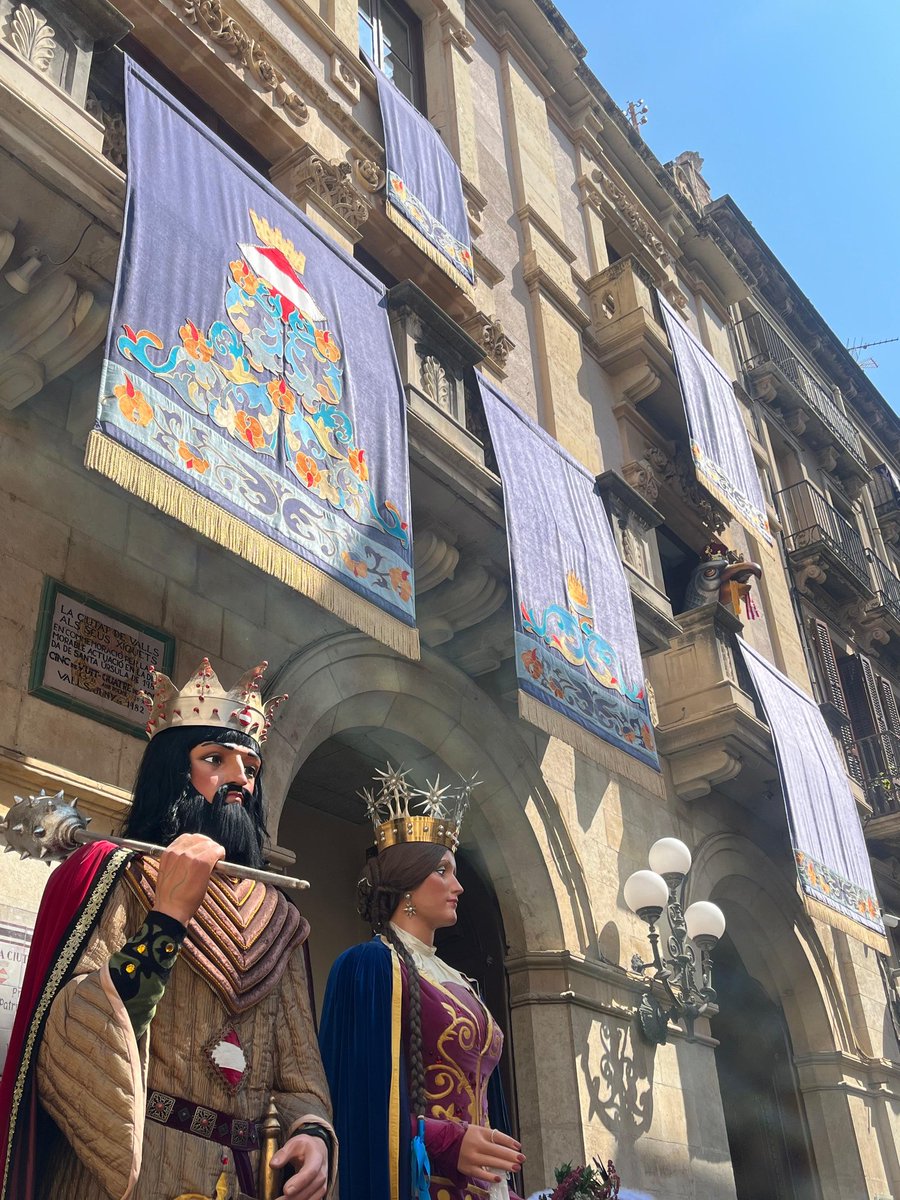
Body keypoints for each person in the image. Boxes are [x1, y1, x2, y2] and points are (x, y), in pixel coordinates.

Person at [0, 658, 335, 1200]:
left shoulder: (282, 920)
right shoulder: (120, 875)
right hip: (129, 1171)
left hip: (242, 1178)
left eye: (250, 768)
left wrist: (312, 1134)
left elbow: (302, 1078)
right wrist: (167, 916)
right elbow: (71, 1033)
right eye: (215, 760)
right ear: (171, 773)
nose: (239, 781)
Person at [319, 765, 524, 1200]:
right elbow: (356, 1104)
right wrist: (446, 1140)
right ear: (408, 884)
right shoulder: (370, 966)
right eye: (444, 871)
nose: (460, 887)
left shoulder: (463, 982)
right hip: (422, 1185)